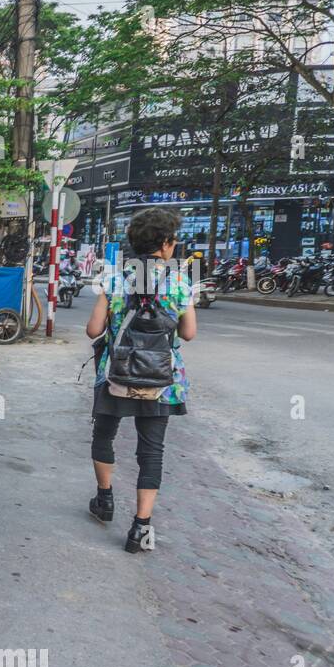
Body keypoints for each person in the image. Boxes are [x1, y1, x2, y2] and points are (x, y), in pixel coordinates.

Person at [85, 207, 196, 553]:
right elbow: (189, 333)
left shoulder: (115, 279)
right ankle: (141, 528)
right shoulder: (179, 282)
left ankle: (104, 500)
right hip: (161, 380)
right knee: (151, 452)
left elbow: (93, 330)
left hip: (116, 373)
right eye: (173, 240)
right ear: (164, 244)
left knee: (104, 436)